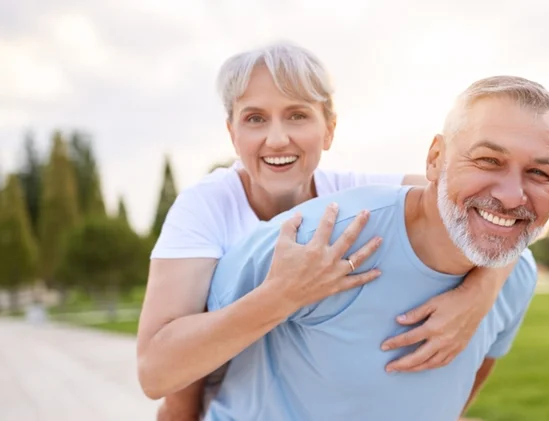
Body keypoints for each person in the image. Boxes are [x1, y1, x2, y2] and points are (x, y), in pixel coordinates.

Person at [136, 42, 519, 420]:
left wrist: (478, 295)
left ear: (329, 129)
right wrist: (282, 296)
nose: (277, 138)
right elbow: (155, 374)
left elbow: (485, 209)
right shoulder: (204, 207)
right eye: (255, 119)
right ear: (232, 133)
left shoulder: (356, 194)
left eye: (297, 115)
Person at [202, 75, 549, 421]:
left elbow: (454, 398)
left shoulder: (515, 275)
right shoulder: (313, 239)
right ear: (435, 158)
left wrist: (483, 289)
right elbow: (180, 369)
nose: (512, 196)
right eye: (489, 160)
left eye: (539, 173)